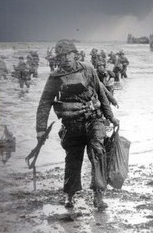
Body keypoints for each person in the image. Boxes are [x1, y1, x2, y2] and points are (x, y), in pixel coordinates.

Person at [34, 39, 120, 209]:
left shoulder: (88, 69)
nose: (66, 58)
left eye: (69, 54)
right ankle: (69, 194)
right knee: (73, 158)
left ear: (75, 54)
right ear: (58, 58)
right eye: (62, 55)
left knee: (98, 153)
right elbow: (44, 103)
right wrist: (40, 130)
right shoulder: (55, 77)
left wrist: (111, 117)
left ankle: (98, 195)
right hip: (71, 124)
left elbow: (101, 93)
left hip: (94, 120)